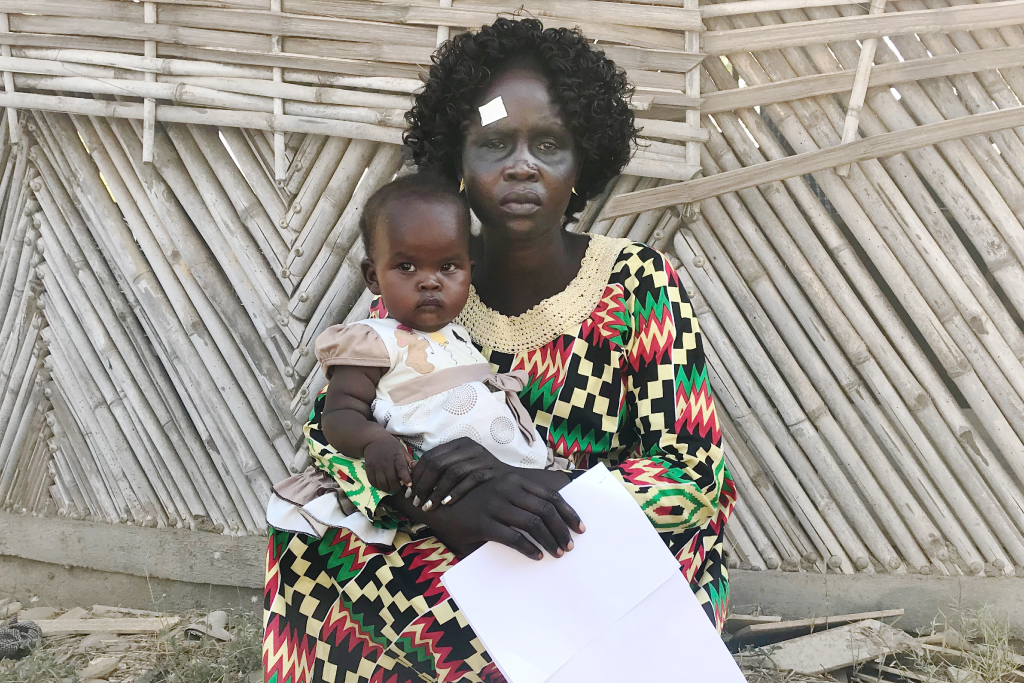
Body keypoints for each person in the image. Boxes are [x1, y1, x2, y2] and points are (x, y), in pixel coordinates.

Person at [263, 18, 735, 683]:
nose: (521, 164)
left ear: (582, 163)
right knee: (313, 541)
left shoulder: (638, 283)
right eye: (493, 143)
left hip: (593, 533)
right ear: (459, 164)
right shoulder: (423, 284)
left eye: (548, 143)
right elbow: (333, 435)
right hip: (460, 532)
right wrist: (448, 506)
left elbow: (692, 475)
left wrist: (536, 490)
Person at [312, 172, 565, 503]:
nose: (429, 282)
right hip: (446, 496)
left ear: (469, 272)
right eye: (406, 267)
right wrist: (373, 440)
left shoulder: (460, 336)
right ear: (373, 277)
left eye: (447, 266)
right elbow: (339, 414)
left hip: (524, 478)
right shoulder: (373, 341)